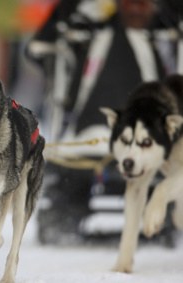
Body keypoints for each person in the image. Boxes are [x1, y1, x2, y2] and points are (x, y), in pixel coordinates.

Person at [27, 0, 182, 244]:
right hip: (88, 124)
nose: (136, 8)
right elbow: (40, 47)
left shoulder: (165, 22)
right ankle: (67, 206)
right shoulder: (85, 15)